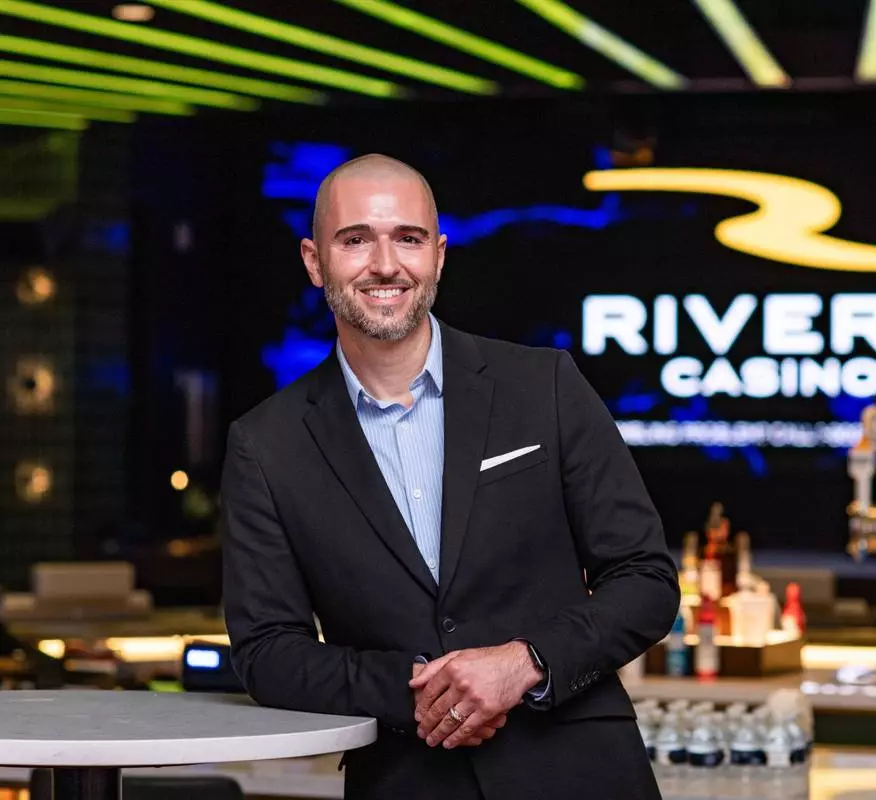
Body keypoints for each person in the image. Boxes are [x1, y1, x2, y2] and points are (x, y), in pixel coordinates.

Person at [220, 154, 680, 800]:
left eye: (408, 239)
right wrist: (418, 690)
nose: (385, 265)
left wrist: (524, 662)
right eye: (356, 240)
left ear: (438, 256)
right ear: (314, 261)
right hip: (408, 780)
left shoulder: (545, 386)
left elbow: (646, 579)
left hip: (580, 772)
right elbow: (267, 651)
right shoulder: (266, 444)